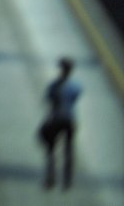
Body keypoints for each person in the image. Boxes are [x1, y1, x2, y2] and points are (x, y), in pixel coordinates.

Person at [40, 57, 81, 190]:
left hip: (55, 119)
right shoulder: (75, 86)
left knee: (50, 149)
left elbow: (48, 99)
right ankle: (67, 181)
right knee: (68, 149)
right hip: (70, 119)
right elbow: (76, 97)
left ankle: (50, 177)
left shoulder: (54, 85)